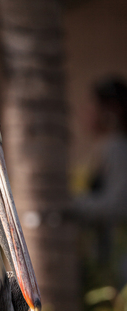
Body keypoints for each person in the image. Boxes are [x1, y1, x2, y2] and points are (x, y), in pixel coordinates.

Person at [73, 76, 127, 287]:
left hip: (118, 258)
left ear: (111, 110)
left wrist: (71, 204)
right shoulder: (107, 147)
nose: (85, 111)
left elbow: (118, 205)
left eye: (91, 104)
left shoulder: (116, 148)